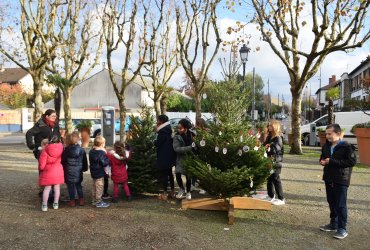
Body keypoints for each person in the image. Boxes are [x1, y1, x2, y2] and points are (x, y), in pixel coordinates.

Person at [319, 124, 356, 240]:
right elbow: (322, 157)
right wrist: (321, 161)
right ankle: (333, 224)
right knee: (331, 202)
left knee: (340, 204)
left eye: (330, 133)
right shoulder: (326, 146)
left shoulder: (347, 147)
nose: (327, 135)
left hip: (341, 180)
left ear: (338, 134)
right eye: (326, 133)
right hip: (328, 178)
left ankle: (342, 228)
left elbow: (351, 162)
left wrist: (332, 161)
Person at [62, 132, 88, 207]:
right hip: (78, 171)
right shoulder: (81, 150)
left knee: (70, 187)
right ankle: (81, 200)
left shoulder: (66, 150)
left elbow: (63, 160)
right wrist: (84, 168)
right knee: (78, 185)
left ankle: (72, 201)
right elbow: (84, 161)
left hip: (69, 171)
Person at [38, 136, 64, 212]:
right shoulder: (61, 148)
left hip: (48, 172)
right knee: (57, 189)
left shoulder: (45, 150)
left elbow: (42, 165)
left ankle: (44, 205)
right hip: (58, 170)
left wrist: (41, 169)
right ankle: (56, 204)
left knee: (47, 189)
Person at [154, 115, 176, 200]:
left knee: (164, 175)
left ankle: (165, 193)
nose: (157, 122)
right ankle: (173, 192)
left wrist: (154, 141)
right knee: (170, 174)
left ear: (162, 121)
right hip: (170, 155)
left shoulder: (162, 131)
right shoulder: (169, 129)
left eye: (158, 120)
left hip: (163, 156)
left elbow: (158, 143)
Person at [263, 120, 285, 205]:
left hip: (276, 162)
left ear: (275, 127)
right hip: (269, 161)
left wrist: (269, 147)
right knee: (269, 179)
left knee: (276, 179)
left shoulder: (278, 138)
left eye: (271, 126)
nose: (269, 127)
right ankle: (271, 196)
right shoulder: (269, 137)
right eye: (269, 126)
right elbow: (264, 145)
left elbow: (276, 149)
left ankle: (281, 198)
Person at [173, 118, 195, 200]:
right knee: (178, 174)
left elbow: (196, 146)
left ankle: (188, 191)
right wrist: (190, 148)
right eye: (178, 128)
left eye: (180, 128)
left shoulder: (192, 135)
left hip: (190, 159)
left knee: (188, 176)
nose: (179, 130)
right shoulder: (177, 137)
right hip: (180, 159)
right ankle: (181, 188)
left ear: (186, 128)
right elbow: (177, 149)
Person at [89, 136, 110, 208]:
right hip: (99, 172)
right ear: (102, 144)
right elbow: (103, 163)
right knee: (99, 187)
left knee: (94, 186)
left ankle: (94, 200)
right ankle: (98, 201)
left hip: (93, 172)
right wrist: (108, 160)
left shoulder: (91, 151)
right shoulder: (101, 153)